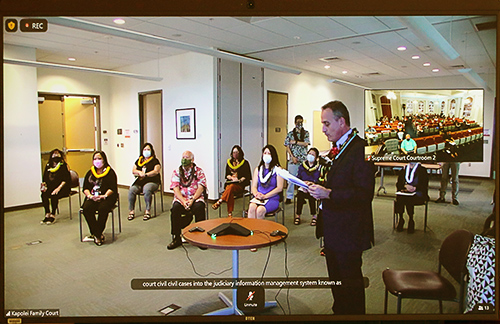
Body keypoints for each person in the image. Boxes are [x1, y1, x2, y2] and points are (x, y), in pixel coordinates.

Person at [308, 100, 375, 315]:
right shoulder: (339, 148)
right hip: (333, 228)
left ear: (342, 121)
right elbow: (339, 182)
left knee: (350, 284)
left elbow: (364, 194)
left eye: (327, 124)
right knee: (336, 283)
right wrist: (319, 188)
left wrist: (329, 193)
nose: (323, 129)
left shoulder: (363, 148)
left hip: (350, 231)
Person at [167, 151, 207, 250]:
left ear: (192, 160)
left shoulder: (199, 171)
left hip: (195, 198)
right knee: (175, 208)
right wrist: (183, 201)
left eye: (187, 157)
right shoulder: (176, 171)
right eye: (183, 157)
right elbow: (175, 188)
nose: (184, 159)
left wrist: (192, 200)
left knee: (199, 207)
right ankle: (176, 238)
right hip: (182, 198)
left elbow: (201, 187)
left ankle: (200, 239)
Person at [82, 151, 118, 246]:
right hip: (92, 197)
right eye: (95, 159)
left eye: (99, 158)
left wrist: (104, 196)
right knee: (86, 209)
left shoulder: (110, 172)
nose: (97, 161)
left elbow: (112, 188)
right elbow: (85, 188)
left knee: (103, 209)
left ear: (104, 160)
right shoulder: (90, 173)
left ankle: (97, 235)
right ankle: (97, 233)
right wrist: (90, 196)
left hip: (107, 197)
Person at [212, 145, 252, 217]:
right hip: (230, 183)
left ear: (240, 153)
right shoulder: (229, 162)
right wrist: (230, 177)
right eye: (233, 152)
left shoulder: (245, 163)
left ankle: (221, 201)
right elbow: (226, 175)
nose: (235, 154)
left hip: (239, 185)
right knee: (230, 190)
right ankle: (229, 213)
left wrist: (239, 179)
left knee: (230, 188)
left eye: (237, 152)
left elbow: (247, 176)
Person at [248, 144, 284, 220]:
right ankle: (251, 230)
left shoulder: (278, 170)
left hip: (272, 198)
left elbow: (279, 188)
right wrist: (256, 194)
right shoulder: (258, 169)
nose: (266, 155)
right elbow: (254, 186)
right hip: (259, 197)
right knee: (251, 207)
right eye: (265, 153)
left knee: (260, 210)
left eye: (269, 153)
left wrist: (265, 196)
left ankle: (260, 231)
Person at [127, 143, 161, 221]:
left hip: (152, 181)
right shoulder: (139, 160)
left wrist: (146, 174)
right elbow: (134, 170)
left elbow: (156, 171)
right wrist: (139, 173)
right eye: (145, 149)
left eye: (148, 149)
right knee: (132, 190)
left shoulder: (155, 160)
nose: (146, 151)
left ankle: (147, 211)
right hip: (140, 181)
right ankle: (131, 211)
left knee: (147, 189)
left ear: (151, 151)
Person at [395, 162, 429, 233]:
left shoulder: (422, 170)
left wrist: (415, 188)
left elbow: (424, 185)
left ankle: (411, 219)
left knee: (409, 199)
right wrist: (404, 186)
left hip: (418, 192)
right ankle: (401, 218)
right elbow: (398, 184)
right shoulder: (404, 170)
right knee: (400, 197)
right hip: (405, 191)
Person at [40, 148, 71, 225]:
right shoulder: (48, 165)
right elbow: (45, 177)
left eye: (57, 153)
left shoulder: (63, 165)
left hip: (62, 187)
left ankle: (53, 214)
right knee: (44, 195)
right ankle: (47, 213)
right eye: (54, 153)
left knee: (54, 194)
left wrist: (58, 188)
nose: (56, 155)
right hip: (50, 187)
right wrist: (43, 186)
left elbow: (66, 179)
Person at [284, 115, 310, 204]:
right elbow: (287, 146)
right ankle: (289, 196)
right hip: (293, 159)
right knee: (291, 179)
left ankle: (301, 196)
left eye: (301, 122)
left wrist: (295, 142)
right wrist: (292, 157)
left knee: (302, 180)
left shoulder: (306, 133)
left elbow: (306, 143)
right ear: (295, 122)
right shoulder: (290, 134)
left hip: (303, 159)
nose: (300, 124)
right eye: (298, 122)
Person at [295, 147, 321, 226]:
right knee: (300, 195)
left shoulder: (318, 167)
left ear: (316, 158)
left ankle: (314, 216)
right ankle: (298, 215)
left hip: (313, 187)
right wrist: (302, 183)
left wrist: (311, 183)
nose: (310, 156)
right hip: (303, 187)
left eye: (313, 154)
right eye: (309, 154)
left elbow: (319, 179)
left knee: (311, 196)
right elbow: (298, 177)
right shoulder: (302, 166)